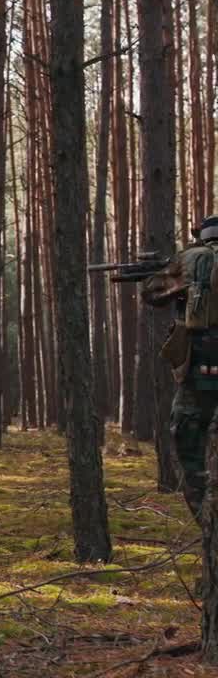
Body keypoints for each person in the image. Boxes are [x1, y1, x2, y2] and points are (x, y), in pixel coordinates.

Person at [141, 215, 218, 525]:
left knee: (188, 440)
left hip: (199, 372)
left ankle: (208, 525)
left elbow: (151, 292)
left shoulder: (191, 259)